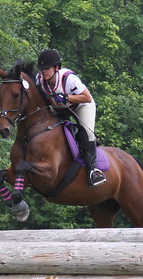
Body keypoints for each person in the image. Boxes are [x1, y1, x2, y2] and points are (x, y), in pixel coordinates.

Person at [36, 48, 106, 187]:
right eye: (42, 68)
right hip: (60, 110)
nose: (44, 71)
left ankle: (93, 171)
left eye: (47, 68)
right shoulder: (40, 80)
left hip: (81, 106)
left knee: (87, 134)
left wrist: (67, 97)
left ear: (56, 67)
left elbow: (86, 97)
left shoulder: (68, 79)